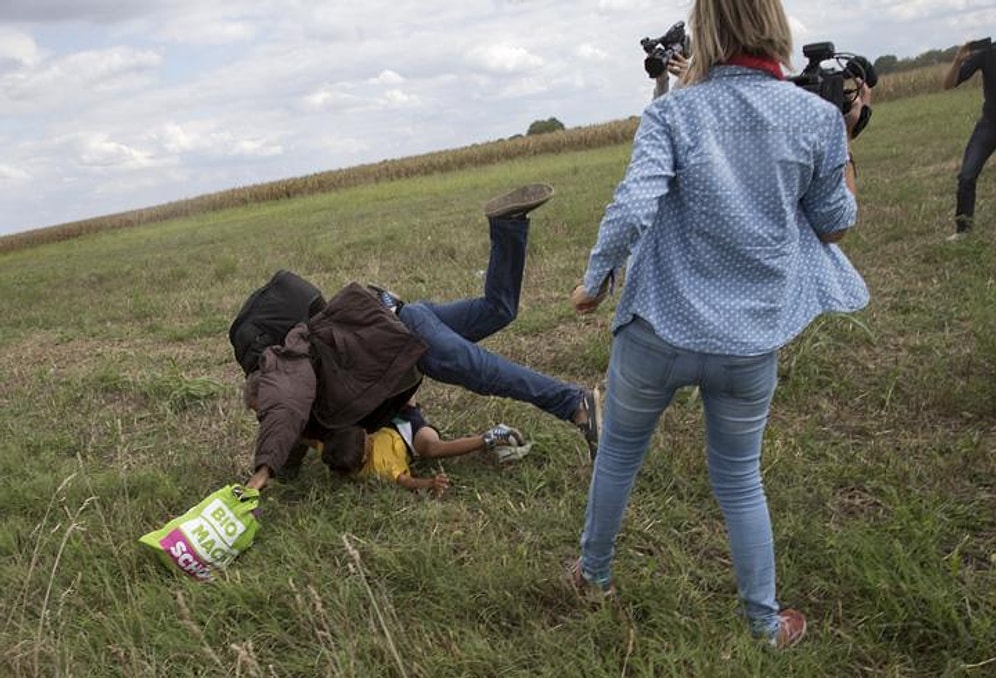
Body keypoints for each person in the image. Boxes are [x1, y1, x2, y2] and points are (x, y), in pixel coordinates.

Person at [567, 0, 870, 649]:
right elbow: (834, 225)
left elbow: (631, 209)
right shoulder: (815, 118)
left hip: (656, 330)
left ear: (705, 31)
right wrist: (843, 140)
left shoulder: (673, 113)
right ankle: (764, 623)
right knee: (739, 478)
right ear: (775, 27)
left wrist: (593, 282)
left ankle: (593, 576)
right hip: (748, 343)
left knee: (618, 456)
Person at [243, 184, 599, 491]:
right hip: (404, 319)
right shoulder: (309, 391)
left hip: (406, 336)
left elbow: (285, 408)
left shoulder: (286, 370)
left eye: (261, 410)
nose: (262, 416)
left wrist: (262, 472)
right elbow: (291, 428)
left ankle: (573, 403)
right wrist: (282, 470)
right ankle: (508, 224)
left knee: (477, 369)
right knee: (498, 309)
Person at [322, 399, 532, 497]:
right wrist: (430, 483)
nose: (369, 436)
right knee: (432, 448)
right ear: (363, 458)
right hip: (412, 436)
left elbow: (310, 439)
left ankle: (405, 358)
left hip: (387, 418)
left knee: (392, 386)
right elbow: (406, 481)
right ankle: (493, 436)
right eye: (367, 439)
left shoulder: (332, 447)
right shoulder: (381, 467)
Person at [944, 38, 996, 241]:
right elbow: (948, 84)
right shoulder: (987, 52)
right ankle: (963, 231)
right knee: (966, 176)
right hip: (990, 124)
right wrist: (958, 61)